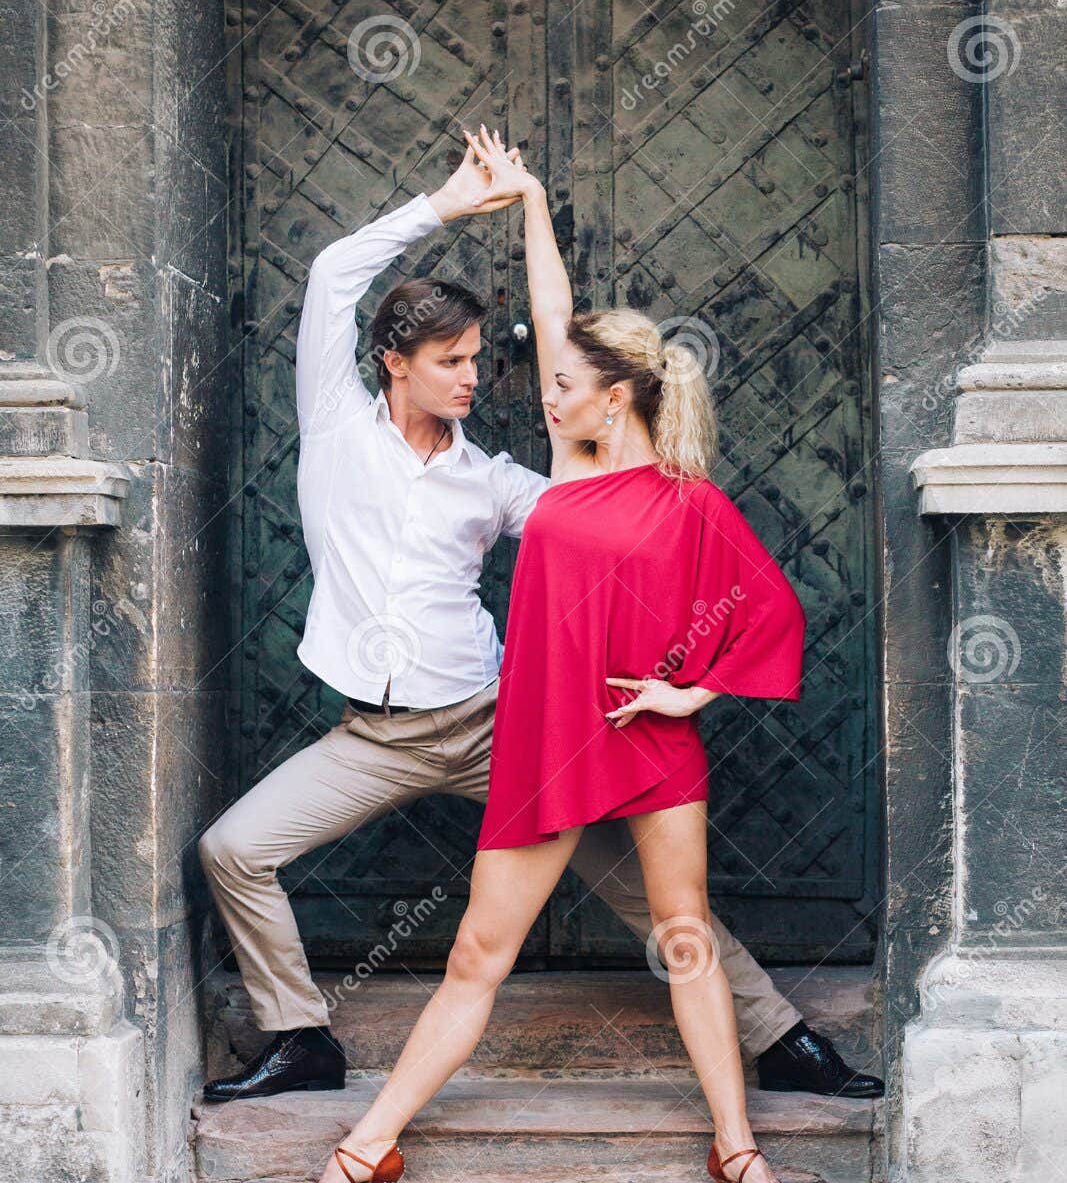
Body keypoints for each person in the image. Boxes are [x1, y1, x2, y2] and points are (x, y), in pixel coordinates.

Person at [198, 135, 882, 1109]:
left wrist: (532, 211)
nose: (475, 377)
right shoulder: (337, 423)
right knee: (233, 849)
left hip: (500, 723)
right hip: (376, 734)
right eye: (451, 361)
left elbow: (597, 477)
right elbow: (328, 273)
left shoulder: (500, 483)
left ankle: (778, 1039)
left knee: (650, 896)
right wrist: (440, 205)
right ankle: (300, 1034)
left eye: (479, 357)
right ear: (394, 364)